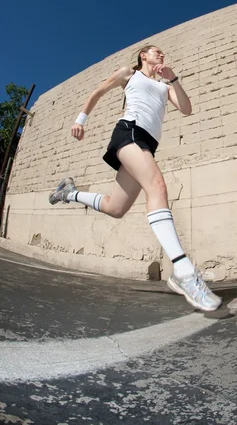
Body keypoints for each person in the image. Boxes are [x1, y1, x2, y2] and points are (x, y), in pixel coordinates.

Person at [49, 45, 222, 312]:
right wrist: (80, 120)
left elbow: (187, 109)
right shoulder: (129, 74)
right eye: (156, 52)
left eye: (163, 53)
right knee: (157, 186)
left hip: (147, 144)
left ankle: (68, 193)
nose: (162, 55)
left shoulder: (165, 87)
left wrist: (173, 78)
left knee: (115, 208)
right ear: (143, 55)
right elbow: (98, 91)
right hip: (129, 132)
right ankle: (183, 270)